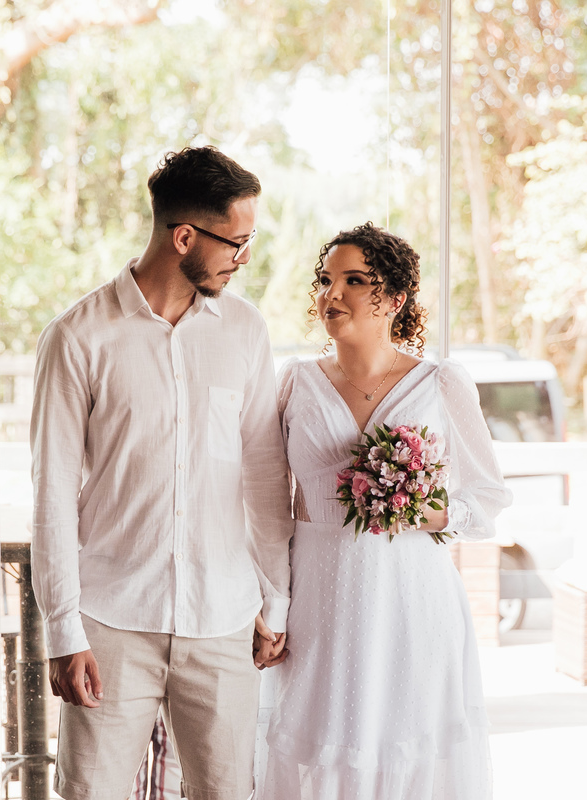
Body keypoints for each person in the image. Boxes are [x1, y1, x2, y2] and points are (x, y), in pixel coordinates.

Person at [31, 145, 293, 800]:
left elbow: (264, 475)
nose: (244, 257)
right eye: (236, 241)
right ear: (184, 236)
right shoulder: (77, 338)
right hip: (111, 623)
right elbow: (53, 495)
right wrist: (63, 629)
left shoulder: (245, 332)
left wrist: (275, 598)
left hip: (224, 618)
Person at [259, 223, 511, 799]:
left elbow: (488, 498)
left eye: (354, 281)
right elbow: (269, 502)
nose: (332, 295)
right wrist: (269, 603)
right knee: (324, 747)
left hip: (413, 598)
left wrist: (417, 507)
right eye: (326, 281)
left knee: (410, 747)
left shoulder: (442, 383)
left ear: (394, 299)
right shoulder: (293, 383)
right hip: (321, 598)